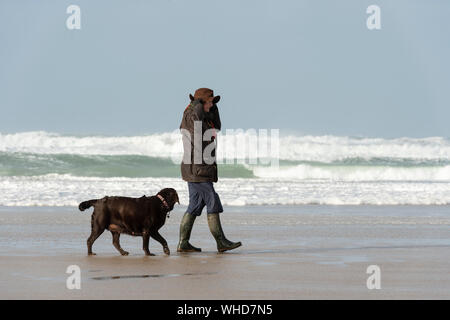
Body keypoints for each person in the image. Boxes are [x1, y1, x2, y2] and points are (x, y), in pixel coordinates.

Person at [177, 88, 242, 253]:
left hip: (197, 168)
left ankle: (183, 243)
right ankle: (221, 242)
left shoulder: (202, 117)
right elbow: (198, 133)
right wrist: (199, 105)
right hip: (198, 169)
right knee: (212, 200)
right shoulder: (193, 116)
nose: (212, 104)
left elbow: (218, 127)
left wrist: (213, 108)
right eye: (210, 102)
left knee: (195, 205)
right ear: (200, 102)